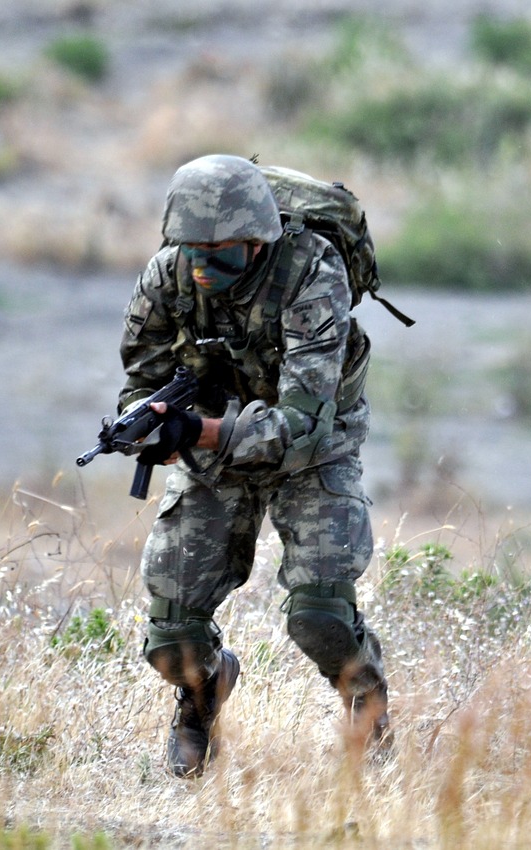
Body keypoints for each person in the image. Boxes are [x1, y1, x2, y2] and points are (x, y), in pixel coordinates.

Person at [116, 153, 389, 778]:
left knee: (320, 615)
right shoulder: (168, 277)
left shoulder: (313, 275)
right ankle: (199, 702)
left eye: (225, 256)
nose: (206, 270)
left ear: (259, 243)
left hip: (312, 451)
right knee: (171, 636)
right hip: (213, 454)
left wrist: (200, 431)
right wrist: (151, 424)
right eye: (194, 253)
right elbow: (142, 377)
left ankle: (368, 712)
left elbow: (301, 422)